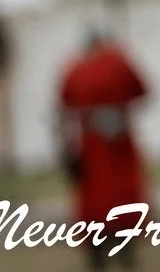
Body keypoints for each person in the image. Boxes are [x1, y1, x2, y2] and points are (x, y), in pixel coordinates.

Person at [57, 30, 150, 267]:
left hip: (94, 142)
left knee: (98, 199)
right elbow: (142, 91)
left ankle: (100, 251)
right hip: (115, 141)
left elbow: (64, 104)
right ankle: (122, 247)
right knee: (119, 196)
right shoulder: (119, 62)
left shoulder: (75, 69)